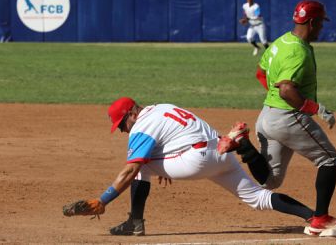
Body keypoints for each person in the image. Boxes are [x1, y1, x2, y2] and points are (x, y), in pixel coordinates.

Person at [94, 96, 315, 236]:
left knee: (141, 166)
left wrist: (103, 200)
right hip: (221, 150)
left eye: (123, 124)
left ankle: (135, 223)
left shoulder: (141, 125)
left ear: (133, 114)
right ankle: (314, 217)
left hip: (196, 159)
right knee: (259, 198)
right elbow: (178, 133)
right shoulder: (162, 107)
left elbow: (131, 170)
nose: (124, 130)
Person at [251, 0, 336, 235]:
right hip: (287, 118)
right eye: (321, 24)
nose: (321, 29)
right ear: (313, 22)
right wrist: (315, 109)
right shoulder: (298, 51)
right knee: (329, 160)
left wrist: (276, 98)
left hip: (266, 117)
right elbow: (286, 89)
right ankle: (321, 219)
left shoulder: (280, 41)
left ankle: (244, 147)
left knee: (271, 181)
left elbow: (260, 73)